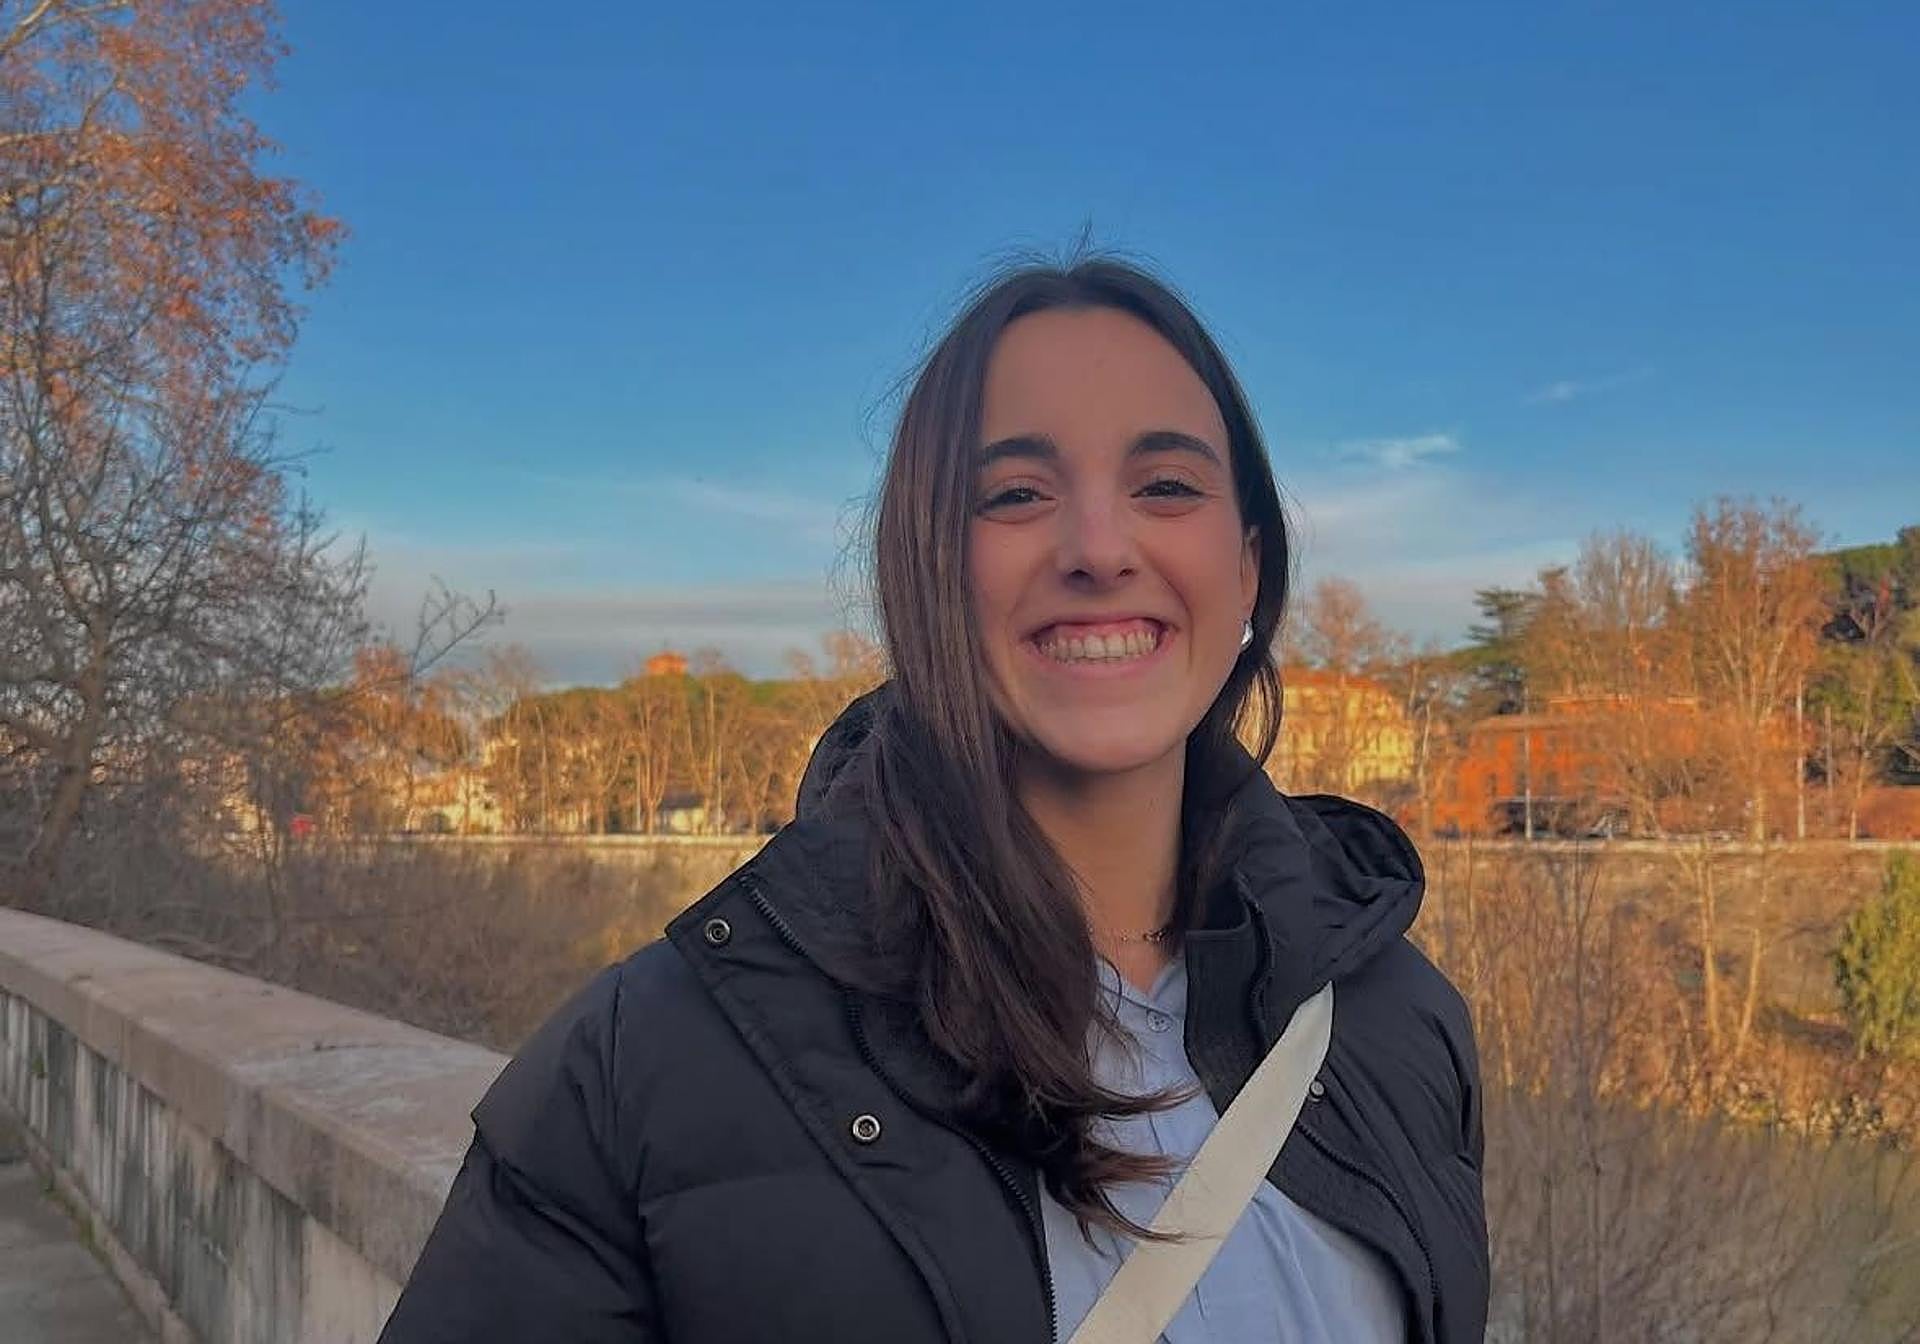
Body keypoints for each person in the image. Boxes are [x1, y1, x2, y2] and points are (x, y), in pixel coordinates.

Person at [378, 257, 1489, 1343]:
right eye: (1015, 495)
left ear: (1246, 568)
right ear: (927, 574)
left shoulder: (1400, 1019)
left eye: (1165, 486)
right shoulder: (646, 1066)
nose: (1100, 548)